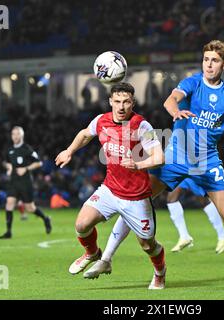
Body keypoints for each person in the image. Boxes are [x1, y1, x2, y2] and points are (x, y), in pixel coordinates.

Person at [84, 40, 224, 287]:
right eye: (206, 59)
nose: (209, 64)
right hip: (175, 158)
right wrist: (175, 111)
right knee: (136, 200)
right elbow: (171, 100)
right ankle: (107, 257)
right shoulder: (192, 82)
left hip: (206, 161)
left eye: (215, 60)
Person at [54, 82, 167, 289]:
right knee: (81, 225)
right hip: (110, 190)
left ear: (133, 103)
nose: (121, 107)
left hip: (137, 197)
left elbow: (160, 157)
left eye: (126, 102)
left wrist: (138, 164)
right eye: (117, 102)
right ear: (110, 102)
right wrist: (69, 151)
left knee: (147, 245)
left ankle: (160, 272)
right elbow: (85, 134)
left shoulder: (142, 126)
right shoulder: (101, 120)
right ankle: (92, 253)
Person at [0, 126, 52, 239]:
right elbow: (5, 162)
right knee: (9, 203)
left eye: (17, 134)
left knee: (30, 208)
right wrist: (8, 167)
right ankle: (8, 232)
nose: (15, 136)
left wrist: (26, 168)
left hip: (25, 181)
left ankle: (45, 219)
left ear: (22, 136)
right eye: (13, 134)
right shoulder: (9, 150)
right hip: (13, 181)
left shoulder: (27, 149)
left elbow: (39, 163)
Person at [167, 178, 224, 253]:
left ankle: (222, 235)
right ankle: (184, 236)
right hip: (180, 169)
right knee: (171, 199)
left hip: (193, 170)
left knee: (202, 199)